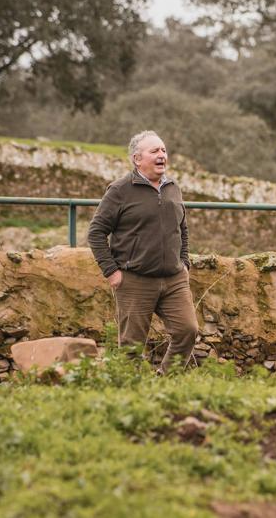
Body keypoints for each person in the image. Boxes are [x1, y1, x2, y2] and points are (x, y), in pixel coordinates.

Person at [88, 130, 198, 373]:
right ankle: (132, 396)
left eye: (163, 150)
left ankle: (165, 383)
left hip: (174, 279)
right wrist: (112, 272)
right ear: (137, 159)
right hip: (134, 279)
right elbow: (95, 232)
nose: (162, 155)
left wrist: (184, 263)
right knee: (131, 347)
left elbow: (182, 228)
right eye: (154, 151)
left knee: (187, 331)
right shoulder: (119, 190)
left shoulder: (172, 187)